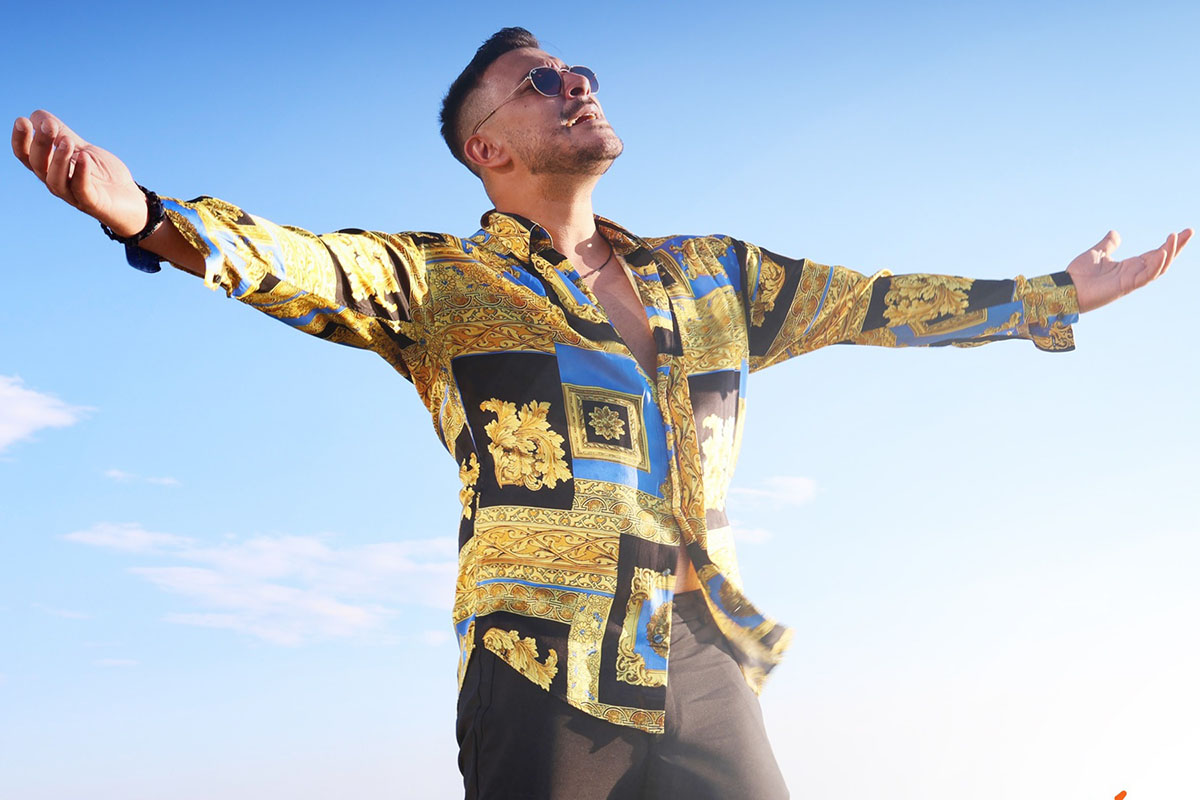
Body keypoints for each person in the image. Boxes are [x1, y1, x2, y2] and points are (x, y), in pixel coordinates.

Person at [11, 25, 1190, 800]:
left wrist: (1054, 292)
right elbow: (304, 263)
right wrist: (147, 214)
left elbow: (874, 301)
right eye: (540, 82)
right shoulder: (443, 282)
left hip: (700, 649)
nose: (575, 83)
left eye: (578, 72)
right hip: (539, 660)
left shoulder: (714, 275)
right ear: (487, 147)